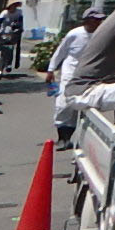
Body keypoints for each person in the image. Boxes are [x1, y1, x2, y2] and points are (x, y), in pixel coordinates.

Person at [47, 8, 104, 148]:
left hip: (89, 73)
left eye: (99, 19)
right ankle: (62, 137)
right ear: (87, 20)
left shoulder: (101, 35)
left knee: (79, 105)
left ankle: (69, 138)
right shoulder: (74, 34)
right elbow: (60, 52)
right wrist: (51, 70)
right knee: (63, 104)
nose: (98, 22)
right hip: (70, 72)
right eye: (95, 19)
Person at [0, 0, 24, 74]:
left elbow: (20, 22)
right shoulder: (4, 13)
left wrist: (18, 28)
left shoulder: (19, 12)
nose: (13, 8)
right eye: (11, 6)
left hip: (13, 32)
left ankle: (9, 64)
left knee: (11, 48)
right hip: (3, 32)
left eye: (14, 6)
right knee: (1, 46)